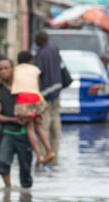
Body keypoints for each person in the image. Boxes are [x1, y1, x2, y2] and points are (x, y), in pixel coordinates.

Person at [0, 50, 55, 165]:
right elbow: (36, 84)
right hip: (36, 98)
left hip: (24, 98)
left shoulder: (16, 70)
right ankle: (49, 151)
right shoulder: (35, 69)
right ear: (31, 61)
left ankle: (39, 155)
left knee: (30, 128)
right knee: (38, 127)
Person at [0, 58, 33, 189]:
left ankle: (25, 194)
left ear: (13, 69)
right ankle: (8, 189)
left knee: (25, 168)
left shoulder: (24, 88)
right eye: (0, 69)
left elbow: (38, 103)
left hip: (24, 133)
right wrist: (11, 120)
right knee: (3, 163)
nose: (3, 71)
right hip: (7, 132)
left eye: (6, 68)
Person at [33, 30, 63, 164]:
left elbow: (38, 73)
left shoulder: (40, 54)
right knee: (55, 119)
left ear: (39, 40)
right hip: (57, 90)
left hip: (45, 94)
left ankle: (45, 154)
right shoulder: (55, 49)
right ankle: (55, 150)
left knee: (44, 124)